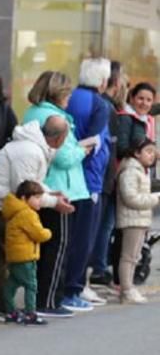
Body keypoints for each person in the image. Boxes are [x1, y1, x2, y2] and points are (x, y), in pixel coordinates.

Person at [0, 117, 73, 319]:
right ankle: (2, 306)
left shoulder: (32, 147)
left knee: (4, 259)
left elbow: (33, 184)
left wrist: (51, 193)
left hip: (2, 206)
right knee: (3, 259)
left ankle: (1, 304)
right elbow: (26, 191)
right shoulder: (30, 152)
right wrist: (55, 203)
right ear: (60, 138)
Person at [22, 71, 90, 318]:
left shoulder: (33, 112)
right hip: (59, 188)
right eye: (68, 92)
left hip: (43, 186)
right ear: (58, 93)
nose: (70, 97)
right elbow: (63, 155)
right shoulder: (53, 117)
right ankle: (49, 300)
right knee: (58, 247)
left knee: (45, 248)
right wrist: (84, 149)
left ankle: (40, 297)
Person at [63, 57, 112, 308]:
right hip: (88, 179)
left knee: (68, 236)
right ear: (103, 81)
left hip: (68, 176)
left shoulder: (70, 97)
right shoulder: (99, 104)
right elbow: (93, 141)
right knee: (84, 238)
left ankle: (69, 286)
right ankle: (73, 289)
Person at [88, 62, 129, 286]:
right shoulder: (106, 107)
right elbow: (110, 147)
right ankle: (96, 269)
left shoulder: (106, 106)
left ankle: (95, 268)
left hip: (102, 176)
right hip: (102, 177)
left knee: (101, 224)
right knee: (101, 224)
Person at [115, 137, 160, 304]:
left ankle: (129, 287)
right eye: (148, 152)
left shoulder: (140, 170)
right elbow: (131, 198)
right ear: (136, 153)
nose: (152, 156)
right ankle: (126, 289)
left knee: (134, 256)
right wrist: (155, 198)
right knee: (128, 257)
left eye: (154, 153)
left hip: (140, 219)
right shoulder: (130, 171)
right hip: (132, 219)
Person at [2, 180, 53, 325]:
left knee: (12, 284)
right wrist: (48, 232)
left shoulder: (14, 211)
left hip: (14, 256)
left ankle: (10, 311)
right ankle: (31, 313)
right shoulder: (27, 214)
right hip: (25, 257)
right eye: (36, 198)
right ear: (24, 198)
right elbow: (38, 234)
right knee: (31, 285)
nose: (39, 202)